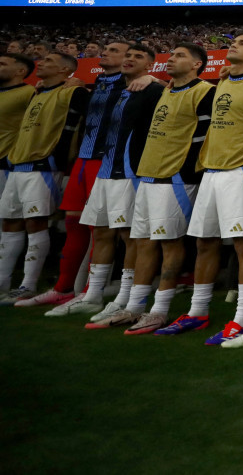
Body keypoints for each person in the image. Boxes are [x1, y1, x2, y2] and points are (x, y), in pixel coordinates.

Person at [159, 31, 243, 345]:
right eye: (233, 42)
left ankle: (242, 317)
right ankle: (197, 311)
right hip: (212, 169)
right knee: (204, 242)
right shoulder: (222, 82)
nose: (234, 45)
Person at [17, 40, 154, 309]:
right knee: (73, 223)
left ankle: (91, 290)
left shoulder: (137, 85)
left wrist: (149, 77)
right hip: (83, 160)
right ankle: (65, 288)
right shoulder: (94, 85)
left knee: (103, 228)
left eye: (116, 51)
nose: (107, 53)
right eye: (109, 49)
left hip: (111, 162)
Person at [116, 44, 215, 334]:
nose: (171, 59)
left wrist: (184, 171)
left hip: (175, 179)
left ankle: (160, 310)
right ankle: (134, 307)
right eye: (170, 55)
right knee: (144, 242)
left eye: (180, 56)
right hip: (147, 174)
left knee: (170, 244)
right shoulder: (165, 90)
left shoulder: (205, 91)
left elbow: (204, 136)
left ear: (197, 64)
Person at [78, 44, 165, 323]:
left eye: (138, 57)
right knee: (102, 232)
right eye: (128, 55)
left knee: (130, 237)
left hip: (129, 171)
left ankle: (125, 298)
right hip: (105, 168)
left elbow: (172, 91)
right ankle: (93, 294)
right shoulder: (116, 89)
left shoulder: (151, 89)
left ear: (150, 65)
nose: (130, 59)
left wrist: (154, 79)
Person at [0, 53, 88, 305]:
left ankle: (27, 285)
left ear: (64, 69)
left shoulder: (72, 92)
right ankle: (3, 282)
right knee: (10, 223)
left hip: (43, 166)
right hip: (18, 164)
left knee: (35, 223)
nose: (42, 62)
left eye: (49, 60)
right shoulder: (37, 93)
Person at [0, 53, 38, 299]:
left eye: (3, 63)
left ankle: (4, 281)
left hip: (5, 164)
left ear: (20, 71)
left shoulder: (30, 93)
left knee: (8, 224)